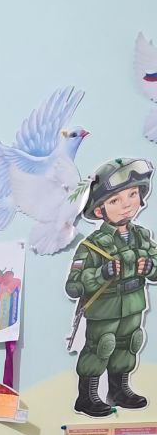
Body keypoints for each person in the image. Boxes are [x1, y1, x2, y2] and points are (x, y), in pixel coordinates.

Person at [66, 157, 156, 416]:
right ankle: (87, 397)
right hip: (105, 309)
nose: (126, 204)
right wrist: (100, 274)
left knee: (129, 344)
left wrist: (150, 267)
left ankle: (118, 391)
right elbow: (74, 286)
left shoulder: (142, 237)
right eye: (115, 200)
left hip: (134, 304)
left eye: (132, 194)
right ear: (99, 210)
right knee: (101, 347)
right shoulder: (92, 246)